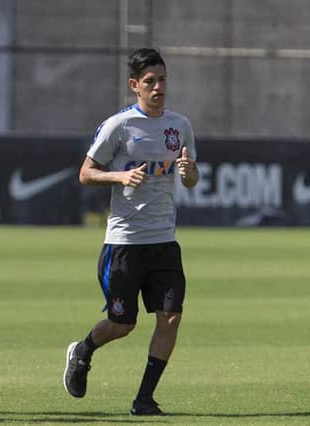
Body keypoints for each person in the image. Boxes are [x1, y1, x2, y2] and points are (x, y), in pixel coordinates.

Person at [63, 48, 199, 416]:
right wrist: (119, 175)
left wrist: (188, 174)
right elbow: (86, 172)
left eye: (163, 80)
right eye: (150, 82)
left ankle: (144, 400)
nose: (158, 88)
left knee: (170, 317)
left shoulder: (179, 125)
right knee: (122, 324)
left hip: (164, 241)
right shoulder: (118, 126)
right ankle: (83, 350)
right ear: (134, 85)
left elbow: (191, 176)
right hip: (124, 243)